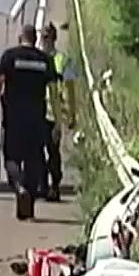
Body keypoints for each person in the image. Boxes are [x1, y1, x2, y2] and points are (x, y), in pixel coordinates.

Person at [0, 25, 64, 220]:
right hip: (37, 119)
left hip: (13, 119)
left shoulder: (10, 56)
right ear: (35, 39)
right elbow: (53, 94)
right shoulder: (45, 60)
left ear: (20, 38)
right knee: (34, 160)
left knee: (11, 158)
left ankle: (19, 187)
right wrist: (59, 122)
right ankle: (28, 195)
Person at [39, 22, 77, 202]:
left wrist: (71, 114)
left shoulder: (63, 60)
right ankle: (41, 185)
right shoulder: (36, 58)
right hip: (37, 111)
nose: (45, 41)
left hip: (55, 113)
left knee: (53, 151)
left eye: (48, 37)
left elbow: (70, 88)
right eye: (43, 37)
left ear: (54, 39)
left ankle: (54, 185)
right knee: (37, 151)